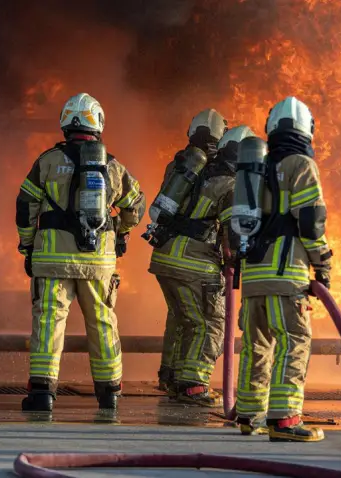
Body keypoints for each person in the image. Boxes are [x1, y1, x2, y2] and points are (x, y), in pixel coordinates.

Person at [15, 92, 146, 412]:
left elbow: (25, 205)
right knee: (102, 320)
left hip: (52, 259)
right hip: (97, 260)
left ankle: (43, 393)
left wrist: (27, 244)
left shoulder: (46, 161)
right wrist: (121, 232)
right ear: (98, 124)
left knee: (48, 322)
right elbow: (136, 205)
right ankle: (109, 392)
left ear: (65, 124)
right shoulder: (113, 166)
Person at [234, 96, 332, 442]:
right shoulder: (300, 164)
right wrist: (322, 262)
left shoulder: (255, 168)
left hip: (254, 275)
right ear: (307, 129)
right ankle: (285, 419)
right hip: (286, 271)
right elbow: (310, 221)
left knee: (256, 344)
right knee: (294, 340)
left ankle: (248, 414)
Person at [147, 109, 235, 407]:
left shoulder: (179, 165)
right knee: (208, 322)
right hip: (195, 263)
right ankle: (194, 384)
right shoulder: (226, 177)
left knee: (181, 318)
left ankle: (171, 377)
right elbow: (230, 231)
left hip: (164, 256)